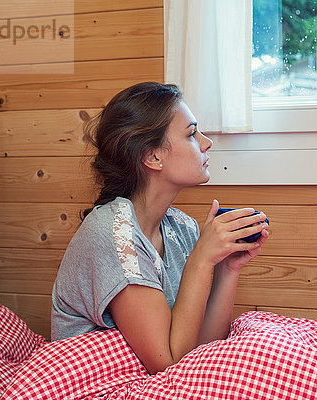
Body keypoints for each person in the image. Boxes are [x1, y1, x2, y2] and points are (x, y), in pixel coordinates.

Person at [51, 82, 270, 375]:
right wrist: (201, 260)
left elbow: (204, 347)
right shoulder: (112, 235)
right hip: (98, 382)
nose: (206, 143)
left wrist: (227, 268)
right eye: (192, 133)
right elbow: (167, 364)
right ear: (153, 157)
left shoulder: (181, 227)